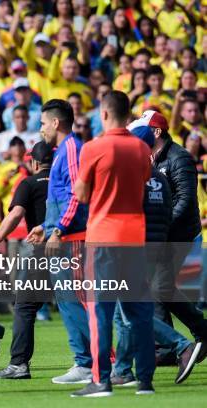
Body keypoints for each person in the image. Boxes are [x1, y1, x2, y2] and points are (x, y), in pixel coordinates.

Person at [72, 90, 154, 397]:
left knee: (101, 312)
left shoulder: (93, 147)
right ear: (128, 114)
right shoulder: (141, 148)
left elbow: (80, 194)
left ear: (104, 114)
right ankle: (144, 380)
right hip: (135, 237)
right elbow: (143, 183)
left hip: (104, 238)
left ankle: (101, 380)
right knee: (140, 313)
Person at [26, 99, 91, 385]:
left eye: (42, 123)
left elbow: (78, 195)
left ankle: (91, 363)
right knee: (70, 302)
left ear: (55, 122)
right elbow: (63, 197)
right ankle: (87, 361)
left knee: (80, 302)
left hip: (72, 239)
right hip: (61, 235)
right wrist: (45, 226)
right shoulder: (63, 150)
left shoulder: (72, 148)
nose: (40, 130)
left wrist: (59, 230)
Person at [0, 141, 53, 380]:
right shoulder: (66, 182)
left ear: (33, 162)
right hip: (69, 250)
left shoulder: (28, 183)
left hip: (39, 252)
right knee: (76, 307)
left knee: (24, 307)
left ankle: (19, 364)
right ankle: (99, 361)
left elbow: (16, 214)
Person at [142, 110, 207, 361]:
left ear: (156, 132)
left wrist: (162, 226)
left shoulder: (179, 157)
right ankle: (178, 342)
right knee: (161, 289)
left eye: (144, 128)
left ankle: (173, 345)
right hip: (165, 235)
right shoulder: (151, 157)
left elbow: (186, 200)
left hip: (182, 235)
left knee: (159, 289)